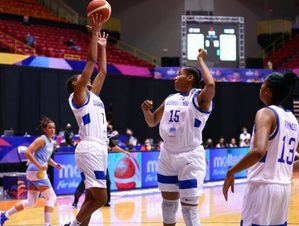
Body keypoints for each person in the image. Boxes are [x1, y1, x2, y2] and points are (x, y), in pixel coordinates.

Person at [141, 48, 215, 226]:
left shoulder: (198, 98)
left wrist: (200, 61)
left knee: (189, 212)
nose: (175, 77)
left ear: (190, 78)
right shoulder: (170, 98)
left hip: (189, 156)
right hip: (167, 154)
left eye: (179, 74)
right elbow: (152, 122)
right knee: (168, 206)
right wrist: (145, 110)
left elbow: (211, 85)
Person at [223, 71, 298, 226]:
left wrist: (231, 171)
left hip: (262, 188)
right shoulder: (293, 120)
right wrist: (286, 168)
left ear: (268, 90)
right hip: (283, 189)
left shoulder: (265, 113)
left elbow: (258, 151)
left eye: (262, 84)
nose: (260, 88)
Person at [64, 13, 109, 226]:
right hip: (90, 147)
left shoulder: (94, 96)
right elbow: (91, 63)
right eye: (81, 79)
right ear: (76, 85)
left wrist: (103, 46)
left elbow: (103, 71)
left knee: (92, 198)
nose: (88, 79)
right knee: (102, 198)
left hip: (100, 148)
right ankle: (71, 225)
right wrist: (94, 32)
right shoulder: (78, 95)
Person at [0, 116, 62, 226]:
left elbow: (46, 158)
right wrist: (39, 165)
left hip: (33, 173)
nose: (52, 129)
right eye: (49, 128)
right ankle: (47, 224)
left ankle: (4, 215)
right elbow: (28, 152)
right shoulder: (41, 139)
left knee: (31, 202)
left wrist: (55, 164)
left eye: (53, 127)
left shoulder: (51, 142)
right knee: (51, 197)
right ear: (44, 129)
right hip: (37, 171)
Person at [71, 131, 130, 208]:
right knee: (85, 182)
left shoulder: (106, 138)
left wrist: (124, 151)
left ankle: (106, 202)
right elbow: (75, 138)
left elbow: (113, 147)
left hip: (102, 165)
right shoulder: (91, 136)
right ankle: (75, 200)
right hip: (92, 163)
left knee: (107, 182)